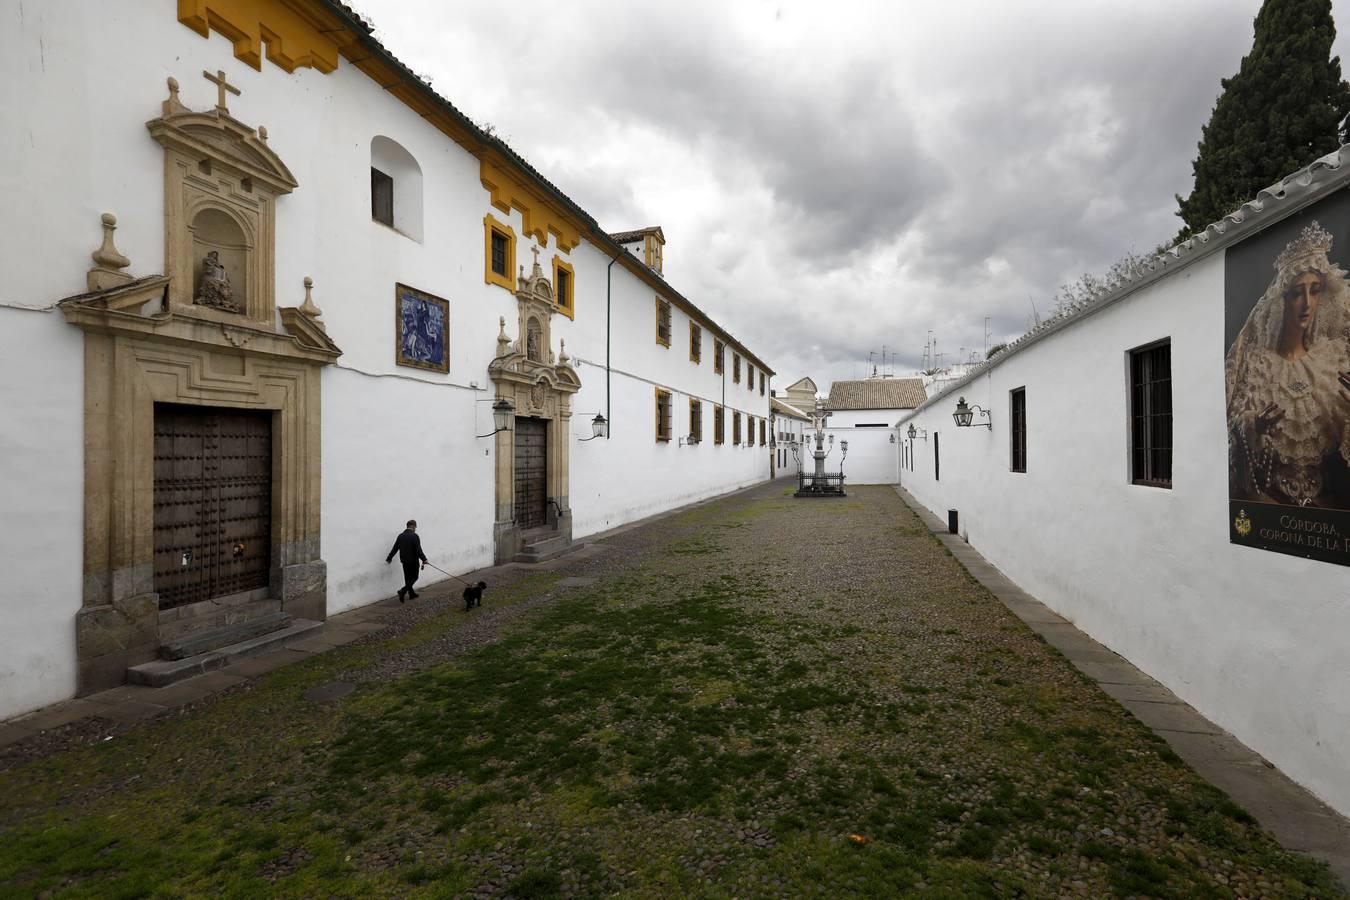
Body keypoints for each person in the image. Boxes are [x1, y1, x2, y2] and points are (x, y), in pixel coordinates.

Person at [1227, 221, 1350, 508]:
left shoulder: (1333, 362)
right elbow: (1235, 433)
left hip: (1329, 503)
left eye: (1315, 290)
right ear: (1282, 300)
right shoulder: (1259, 366)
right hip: (1270, 500)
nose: (1307, 303)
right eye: (1297, 293)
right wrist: (1254, 428)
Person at [386, 519, 427, 602]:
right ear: (413, 526)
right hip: (413, 561)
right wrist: (424, 559)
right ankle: (403, 591)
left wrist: (389, 557)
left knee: (408, 578)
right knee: (415, 577)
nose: (415, 529)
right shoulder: (415, 536)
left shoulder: (400, 536)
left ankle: (411, 594)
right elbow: (418, 550)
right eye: (415, 527)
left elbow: (395, 548)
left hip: (404, 561)